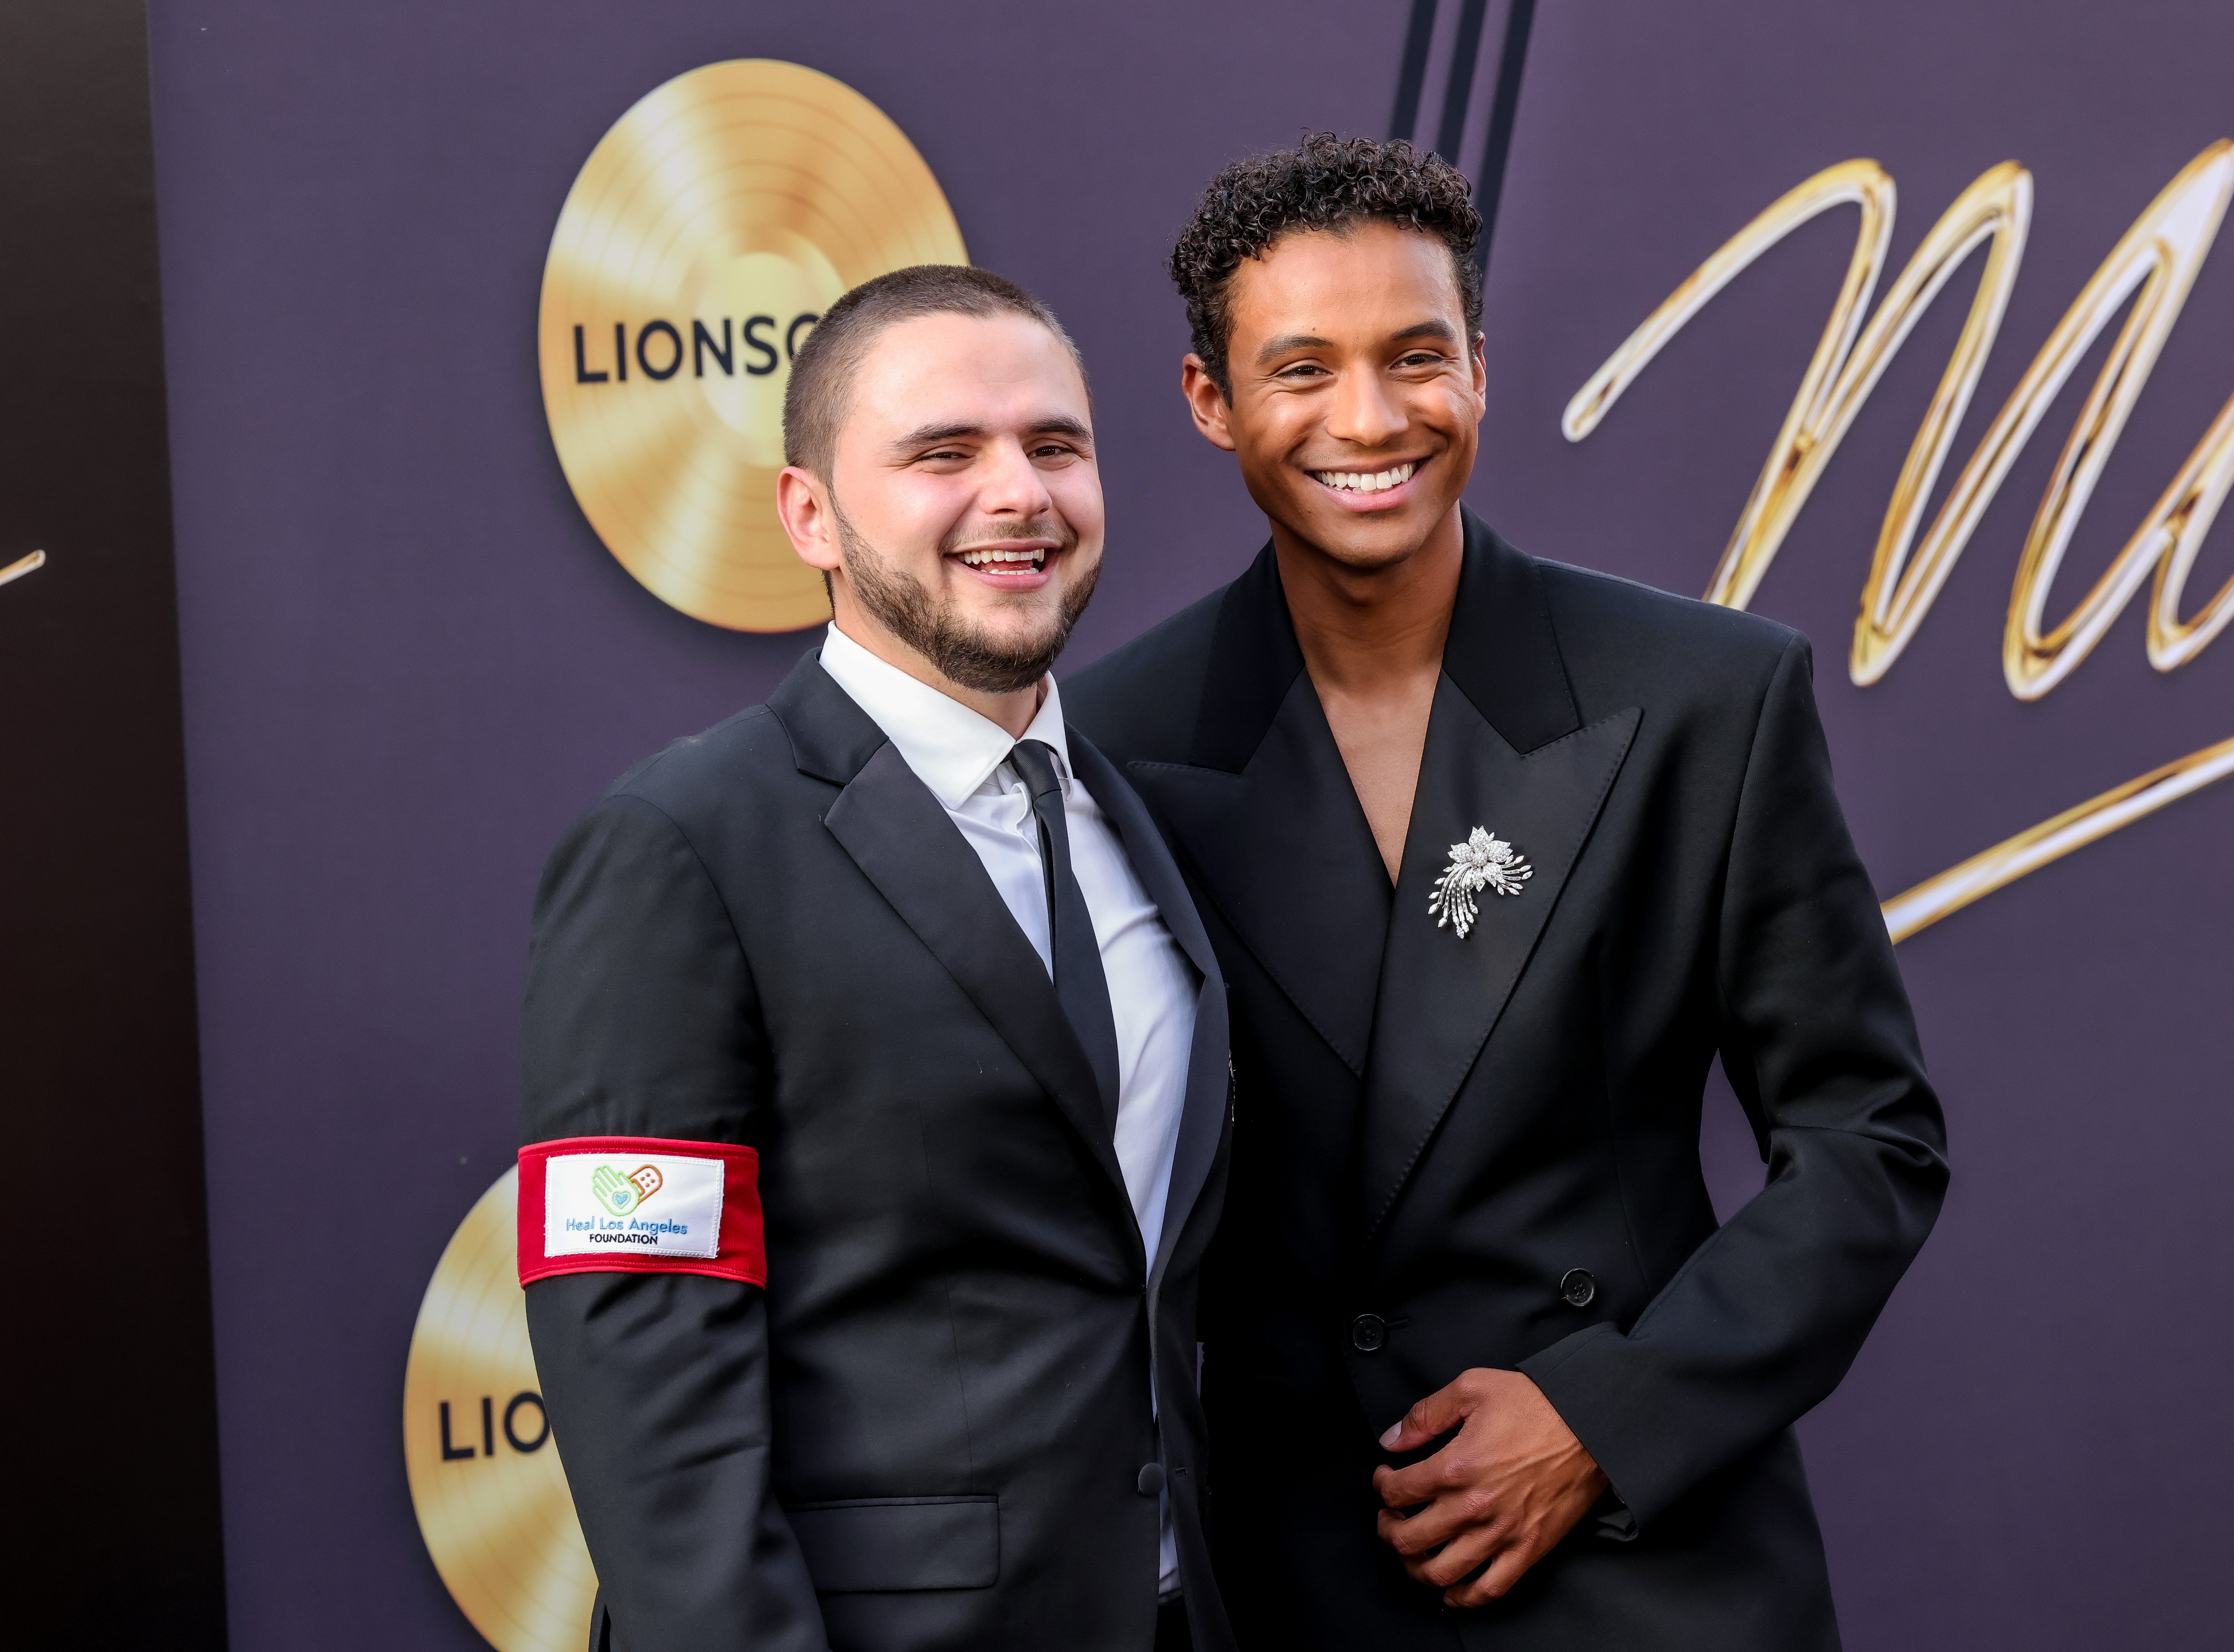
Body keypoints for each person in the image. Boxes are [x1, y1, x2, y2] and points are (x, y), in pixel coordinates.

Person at [1068, 134, 1949, 1647]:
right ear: (1210, 401)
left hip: (1646, 1575)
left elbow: (1868, 1138)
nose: (1369, 418)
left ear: (1479, 367)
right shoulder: (1110, 748)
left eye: (1416, 356)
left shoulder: (1704, 696)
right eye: (1302, 370)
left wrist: (1610, 1412)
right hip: (1301, 1579)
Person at [521, 265, 1234, 1652]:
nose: (1019, 493)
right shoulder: (683, 844)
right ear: (811, 515)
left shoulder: (1131, 818)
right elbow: (642, 1368)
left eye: (1056, 445)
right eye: (942, 453)